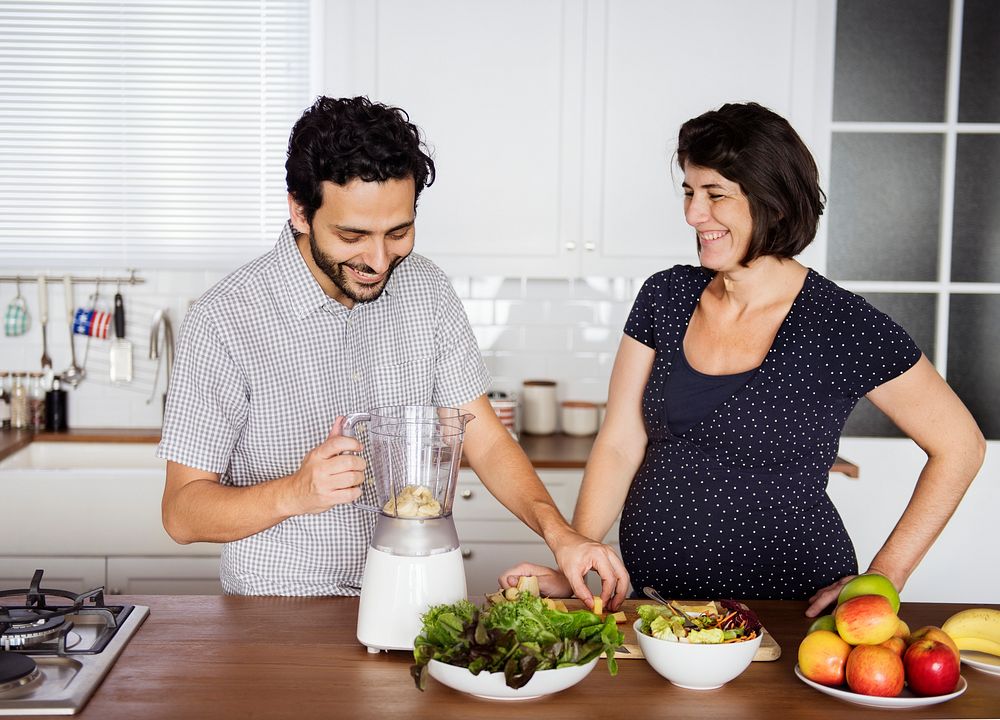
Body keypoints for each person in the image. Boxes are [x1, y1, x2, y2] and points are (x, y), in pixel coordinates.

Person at [500, 102, 985, 616]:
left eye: (715, 195)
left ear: (773, 203)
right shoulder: (665, 297)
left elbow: (961, 446)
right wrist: (579, 556)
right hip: (659, 608)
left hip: (788, 611)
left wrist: (884, 577)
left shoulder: (841, 324)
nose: (692, 214)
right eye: (689, 192)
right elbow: (620, 442)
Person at [159, 96, 627, 605]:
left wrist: (562, 536)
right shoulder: (224, 318)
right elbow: (182, 514)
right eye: (352, 235)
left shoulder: (425, 288)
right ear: (300, 209)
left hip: (418, 599)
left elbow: (485, 441)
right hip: (282, 609)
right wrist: (295, 492)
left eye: (398, 232)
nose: (379, 260)